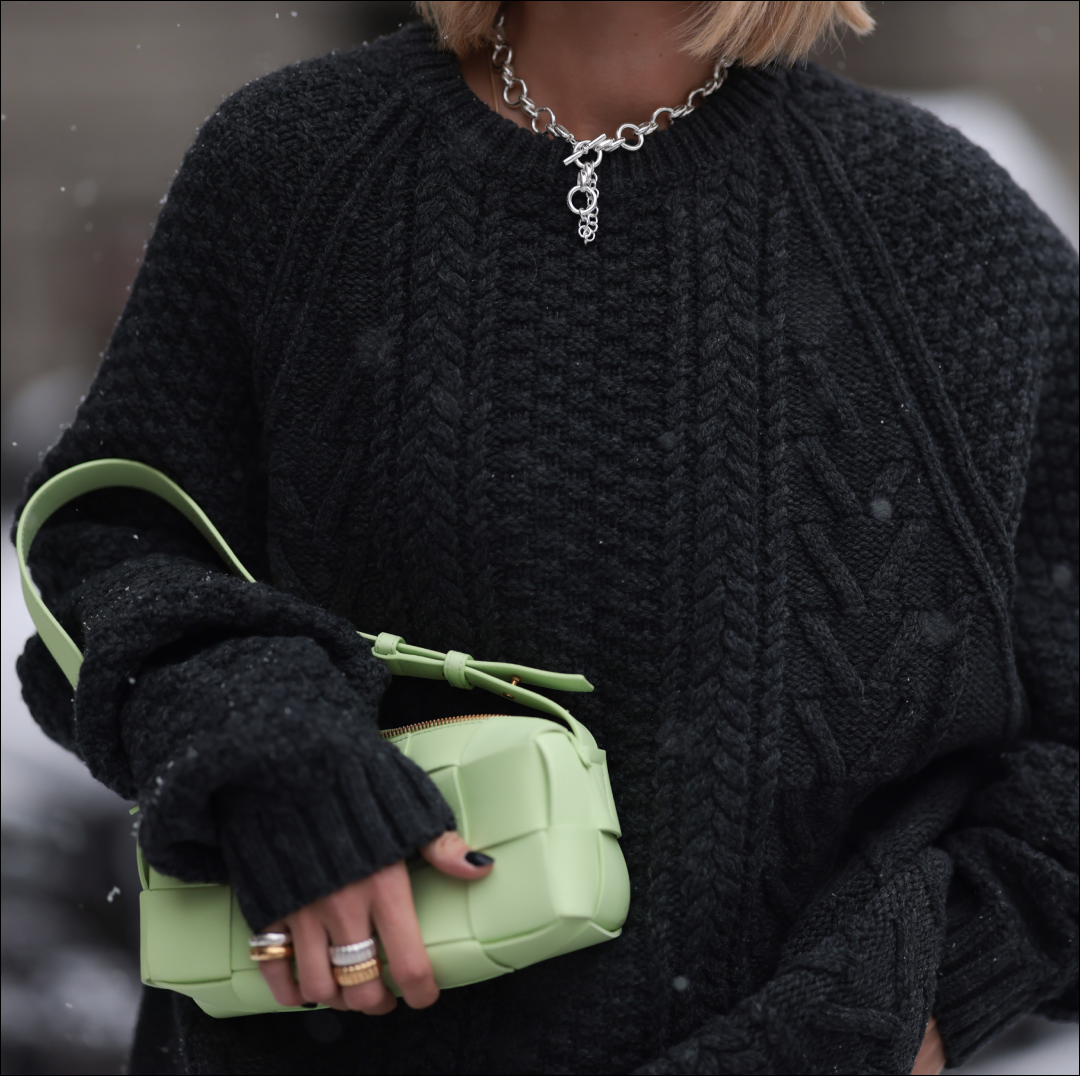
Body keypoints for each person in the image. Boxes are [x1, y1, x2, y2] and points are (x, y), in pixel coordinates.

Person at [14, 2, 1077, 1073]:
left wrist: (905, 1006)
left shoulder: (945, 232)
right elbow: (106, 542)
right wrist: (262, 739)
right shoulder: (292, 165)